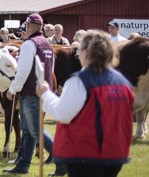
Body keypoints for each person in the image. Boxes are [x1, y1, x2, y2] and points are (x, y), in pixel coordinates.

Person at [39, 29, 134, 177]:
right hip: (116, 154)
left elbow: (63, 113)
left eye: (79, 50)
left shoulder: (80, 80)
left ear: (86, 52)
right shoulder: (123, 82)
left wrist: (45, 94)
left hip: (86, 155)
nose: (78, 54)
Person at [4, 12, 56, 175]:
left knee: (35, 130)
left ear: (28, 25)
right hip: (43, 91)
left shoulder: (29, 44)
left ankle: (62, 157)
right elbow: (51, 70)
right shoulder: (47, 43)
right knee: (29, 130)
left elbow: (23, 71)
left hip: (30, 92)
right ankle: (23, 165)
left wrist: (12, 89)